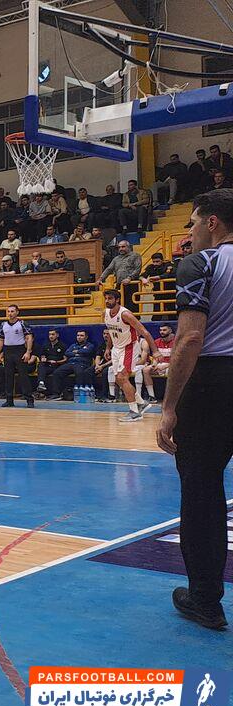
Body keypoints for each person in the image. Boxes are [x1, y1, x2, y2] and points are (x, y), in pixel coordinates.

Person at [156, 188, 233, 629]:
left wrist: (169, 407)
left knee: (202, 492)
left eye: (193, 222)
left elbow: (189, 338)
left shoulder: (200, 263)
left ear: (212, 223)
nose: (189, 232)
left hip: (213, 384)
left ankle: (205, 600)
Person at [103, 287, 156, 422]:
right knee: (118, 379)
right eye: (106, 298)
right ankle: (141, 403)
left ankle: (134, 411)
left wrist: (155, 351)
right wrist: (108, 348)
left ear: (117, 300)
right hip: (116, 349)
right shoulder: (105, 313)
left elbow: (145, 332)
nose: (107, 301)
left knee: (122, 377)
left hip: (129, 347)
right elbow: (111, 332)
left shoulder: (125, 314)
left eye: (110, 298)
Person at [0, 304, 34, 408]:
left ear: (17, 312)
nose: (10, 313)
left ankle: (29, 399)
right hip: (8, 351)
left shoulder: (22, 323)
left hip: (19, 350)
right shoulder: (3, 324)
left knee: (23, 376)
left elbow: (29, 337)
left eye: (12, 311)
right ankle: (9, 400)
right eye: (8, 311)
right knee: (8, 376)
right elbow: (1, 339)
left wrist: (28, 352)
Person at [34, 330, 67, 398]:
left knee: (56, 372)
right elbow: (42, 355)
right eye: (49, 334)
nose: (51, 336)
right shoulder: (46, 345)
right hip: (48, 364)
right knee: (41, 365)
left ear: (57, 335)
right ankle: (41, 383)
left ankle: (56, 394)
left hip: (58, 365)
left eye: (53, 334)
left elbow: (65, 359)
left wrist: (57, 362)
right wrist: (43, 358)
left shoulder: (62, 346)